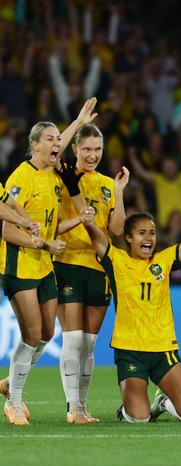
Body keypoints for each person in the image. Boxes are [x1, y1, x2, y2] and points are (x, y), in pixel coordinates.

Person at [65, 167, 181, 423]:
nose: (149, 238)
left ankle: (162, 401)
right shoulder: (115, 260)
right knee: (139, 418)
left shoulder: (164, 260)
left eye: (152, 233)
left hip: (164, 350)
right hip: (130, 351)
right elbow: (90, 226)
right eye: (142, 233)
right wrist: (74, 190)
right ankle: (129, 408)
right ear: (129, 237)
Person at [0, 98, 99, 426]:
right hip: (19, 267)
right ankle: (14, 401)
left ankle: (10, 382)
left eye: (60, 139)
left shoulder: (54, 176)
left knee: (46, 332)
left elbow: (51, 225)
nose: (58, 144)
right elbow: (7, 231)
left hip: (43, 265)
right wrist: (42, 242)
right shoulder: (22, 177)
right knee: (30, 333)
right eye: (50, 139)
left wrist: (79, 120)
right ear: (34, 145)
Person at [54, 123, 129, 424]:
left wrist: (120, 193)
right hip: (69, 262)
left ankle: (82, 407)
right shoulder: (64, 175)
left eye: (97, 149)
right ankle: (73, 407)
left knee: (88, 343)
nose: (92, 155)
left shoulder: (108, 184)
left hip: (99, 269)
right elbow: (55, 147)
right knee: (72, 340)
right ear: (75, 149)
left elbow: (118, 230)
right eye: (86, 148)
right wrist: (80, 118)